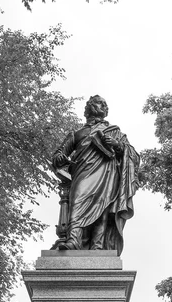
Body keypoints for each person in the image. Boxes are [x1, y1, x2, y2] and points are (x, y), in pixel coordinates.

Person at [52, 95, 139, 255]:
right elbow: (58, 155)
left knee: (102, 207)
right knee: (77, 202)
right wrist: (61, 158)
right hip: (82, 173)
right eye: (98, 103)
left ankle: (97, 247)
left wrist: (118, 145)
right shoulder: (77, 133)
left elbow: (133, 155)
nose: (102, 106)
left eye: (104, 104)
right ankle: (73, 240)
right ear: (88, 109)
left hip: (107, 175)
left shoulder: (114, 132)